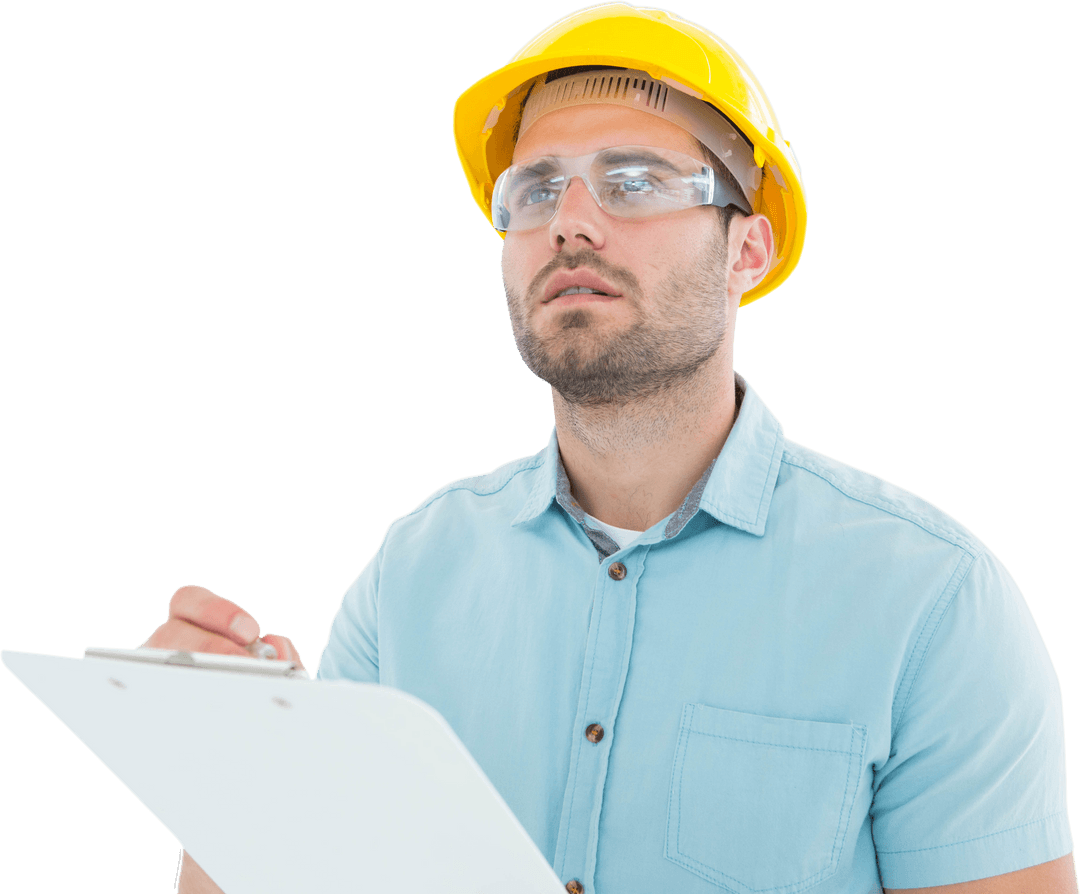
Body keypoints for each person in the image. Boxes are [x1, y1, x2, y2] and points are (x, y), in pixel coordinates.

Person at [158, 4, 1075, 892]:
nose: (571, 222)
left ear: (747, 251)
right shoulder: (412, 576)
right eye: (535, 191)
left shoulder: (932, 602)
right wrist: (229, 768)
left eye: (633, 182)